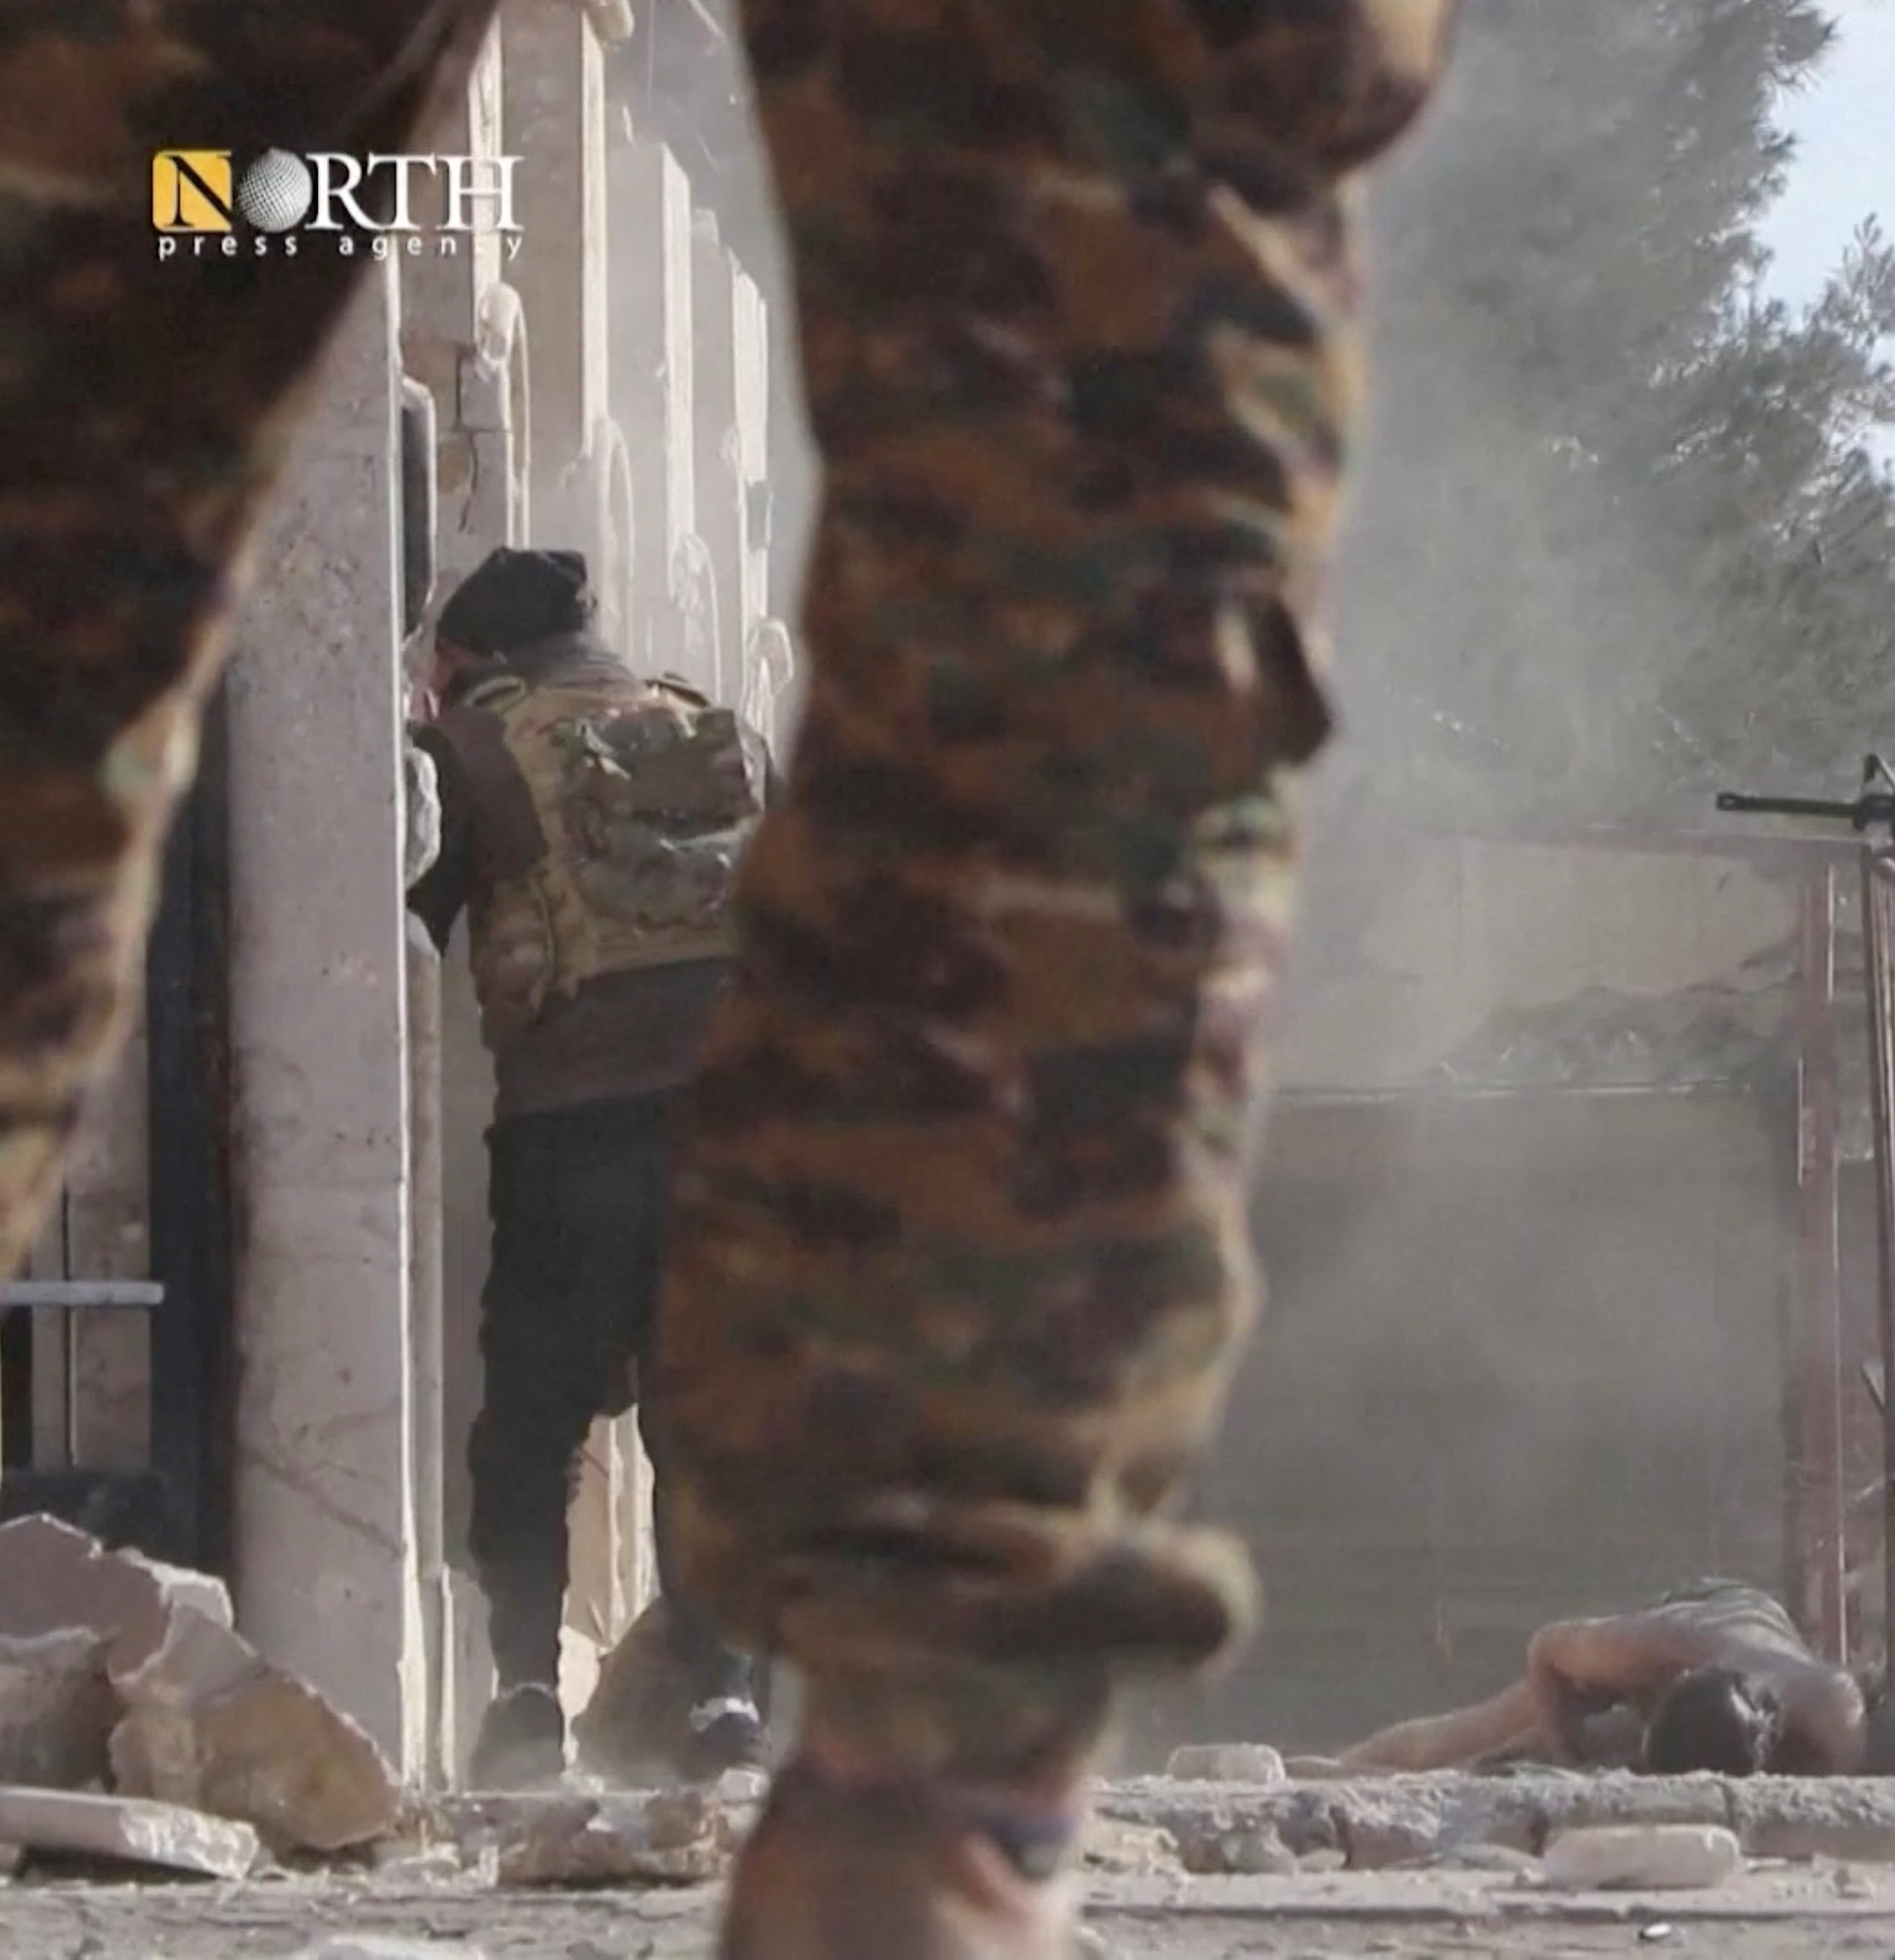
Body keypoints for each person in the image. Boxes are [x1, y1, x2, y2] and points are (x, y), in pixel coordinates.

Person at [1, 3, 1452, 1955]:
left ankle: (874, 1741)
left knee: (82, 415)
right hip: (713, 1100)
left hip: (587, 1107)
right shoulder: (681, 723)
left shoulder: (485, 732)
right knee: (1090, 507)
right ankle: (932, 1750)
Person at [408, 545, 775, 1788]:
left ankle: (521, 1701)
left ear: (464, 661)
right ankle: (723, 1698)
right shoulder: (698, 723)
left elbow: (402, 915)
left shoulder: (476, 747)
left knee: (530, 1425)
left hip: (575, 1129)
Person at [1333, 1578, 1866, 1777]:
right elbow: (1546, 1649)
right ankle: (1326, 1771)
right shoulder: (1655, 1644)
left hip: (1737, 1667)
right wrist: (1562, 1747)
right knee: (1463, 1745)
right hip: (1701, 1615)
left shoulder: (1835, 1718)